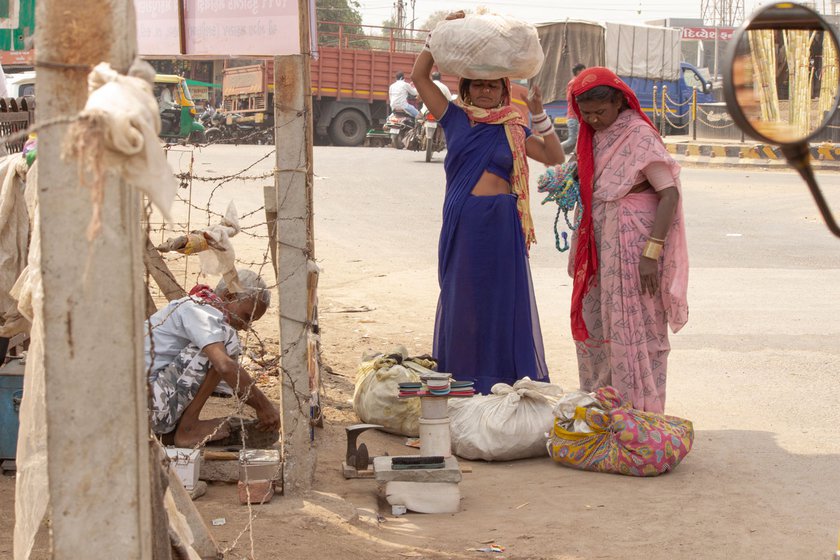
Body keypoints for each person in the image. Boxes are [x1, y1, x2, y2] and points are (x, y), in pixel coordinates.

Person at [411, 11, 565, 394]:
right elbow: (419, 78)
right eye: (477, 85)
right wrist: (437, 35)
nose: (484, 92)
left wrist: (539, 114)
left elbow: (553, 157)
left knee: (501, 300)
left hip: (503, 223)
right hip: (466, 221)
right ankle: (465, 378)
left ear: (503, 88)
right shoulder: (454, 118)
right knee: (463, 297)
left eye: (492, 86)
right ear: (466, 88)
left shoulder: (513, 126)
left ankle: (502, 377)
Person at [567, 67, 689, 413]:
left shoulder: (638, 135)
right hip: (603, 237)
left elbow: (668, 194)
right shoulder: (593, 136)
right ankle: (604, 400)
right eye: (586, 114)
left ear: (619, 101)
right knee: (602, 319)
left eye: (600, 112)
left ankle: (639, 409)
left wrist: (651, 253)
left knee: (638, 324)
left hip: (635, 240)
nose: (593, 120)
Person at [144, 269, 280, 447]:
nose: (246, 327)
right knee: (223, 347)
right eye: (247, 317)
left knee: (223, 345)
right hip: (144, 406)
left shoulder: (202, 309)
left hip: (141, 404)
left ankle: (175, 429)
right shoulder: (200, 311)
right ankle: (188, 429)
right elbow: (223, 366)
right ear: (230, 296)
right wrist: (264, 407)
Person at [561, 63, 586, 154]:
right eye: (584, 70)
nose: (585, 72)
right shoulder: (574, 82)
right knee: (572, 140)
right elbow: (570, 98)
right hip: (574, 116)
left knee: (578, 139)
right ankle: (554, 150)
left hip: (576, 116)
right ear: (578, 71)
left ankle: (577, 155)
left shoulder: (576, 82)